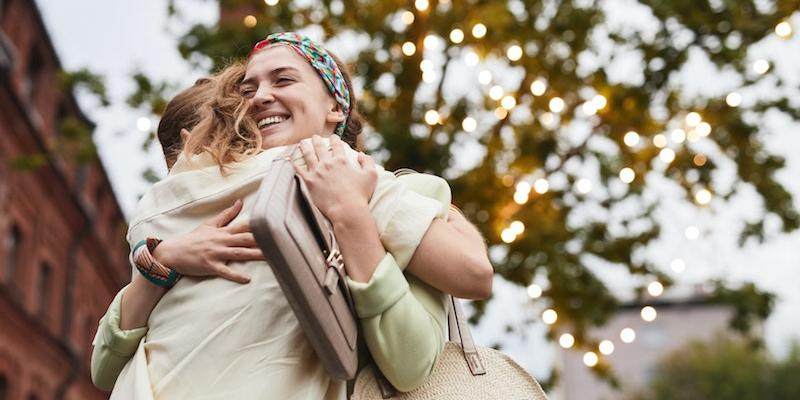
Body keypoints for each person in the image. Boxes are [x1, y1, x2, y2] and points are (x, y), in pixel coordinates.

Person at [94, 32, 492, 399]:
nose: (260, 97)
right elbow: (104, 367)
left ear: (335, 105)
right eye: (248, 89)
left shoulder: (368, 182)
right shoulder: (191, 199)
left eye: (283, 81)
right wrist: (163, 260)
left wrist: (350, 214)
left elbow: (422, 348)